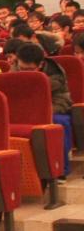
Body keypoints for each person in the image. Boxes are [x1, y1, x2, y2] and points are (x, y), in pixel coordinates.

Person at [14, 42, 74, 179]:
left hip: (53, 107)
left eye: (30, 69)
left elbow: (62, 100)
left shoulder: (55, 75)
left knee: (58, 122)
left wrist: (42, 112)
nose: (24, 73)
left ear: (40, 64)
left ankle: (60, 169)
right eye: (22, 68)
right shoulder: (14, 71)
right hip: (25, 111)